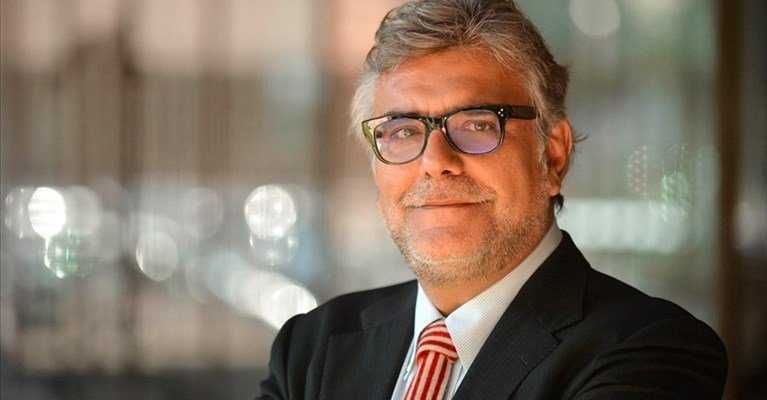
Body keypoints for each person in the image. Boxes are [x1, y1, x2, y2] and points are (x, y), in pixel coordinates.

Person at [258, 1, 727, 399]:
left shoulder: (648, 349)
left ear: (553, 156)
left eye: (478, 124)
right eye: (402, 132)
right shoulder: (311, 350)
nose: (435, 162)